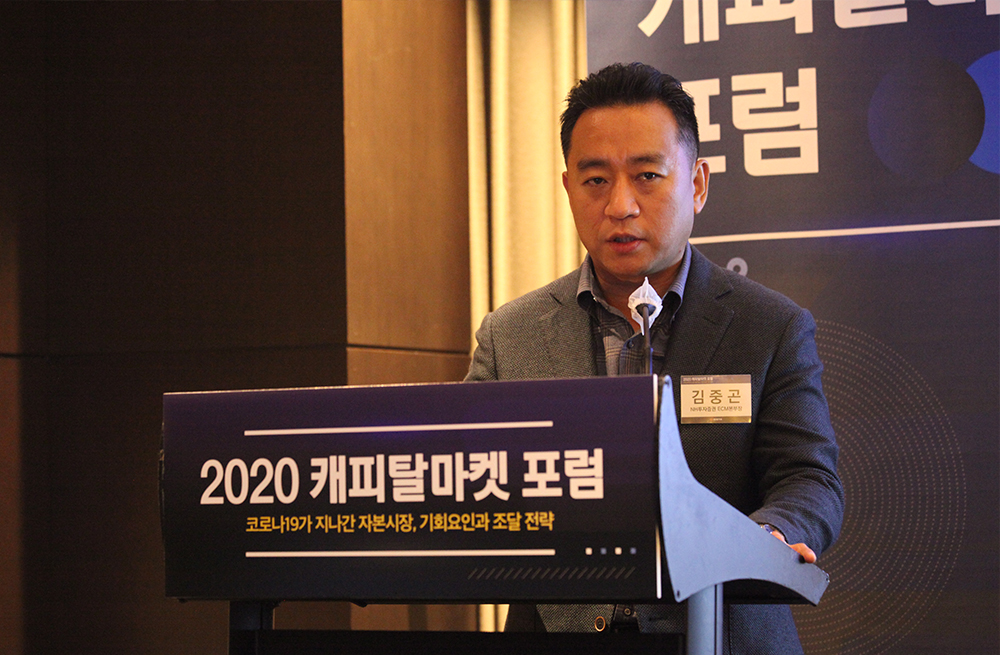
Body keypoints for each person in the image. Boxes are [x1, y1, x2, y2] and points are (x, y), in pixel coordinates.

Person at [464, 62, 844, 654]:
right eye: (596, 180)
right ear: (568, 188)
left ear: (697, 184)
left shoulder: (770, 326)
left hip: (723, 636)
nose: (620, 205)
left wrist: (770, 534)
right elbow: (466, 479)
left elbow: (807, 477)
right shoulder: (509, 337)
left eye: (647, 176)